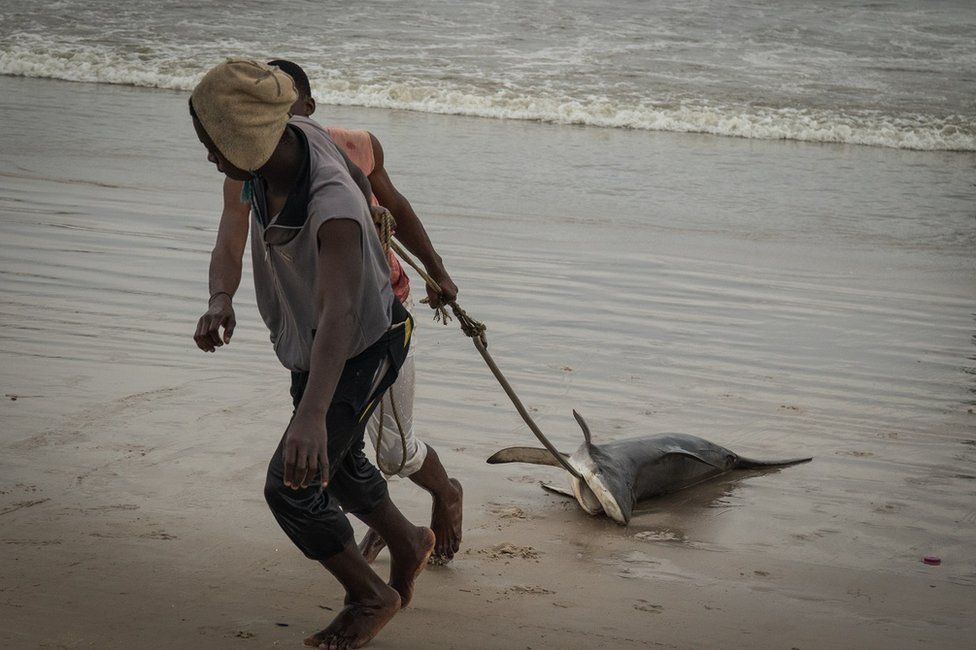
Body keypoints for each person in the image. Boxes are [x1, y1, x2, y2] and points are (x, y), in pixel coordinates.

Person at [189, 58, 427, 649]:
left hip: (365, 343)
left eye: (213, 143)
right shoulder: (269, 156)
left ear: (247, 138)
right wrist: (221, 297)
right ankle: (408, 542)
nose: (210, 156)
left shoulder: (332, 205)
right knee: (340, 468)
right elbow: (228, 236)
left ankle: (372, 596)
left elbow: (342, 314)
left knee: (293, 484)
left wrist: (313, 414)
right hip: (312, 341)